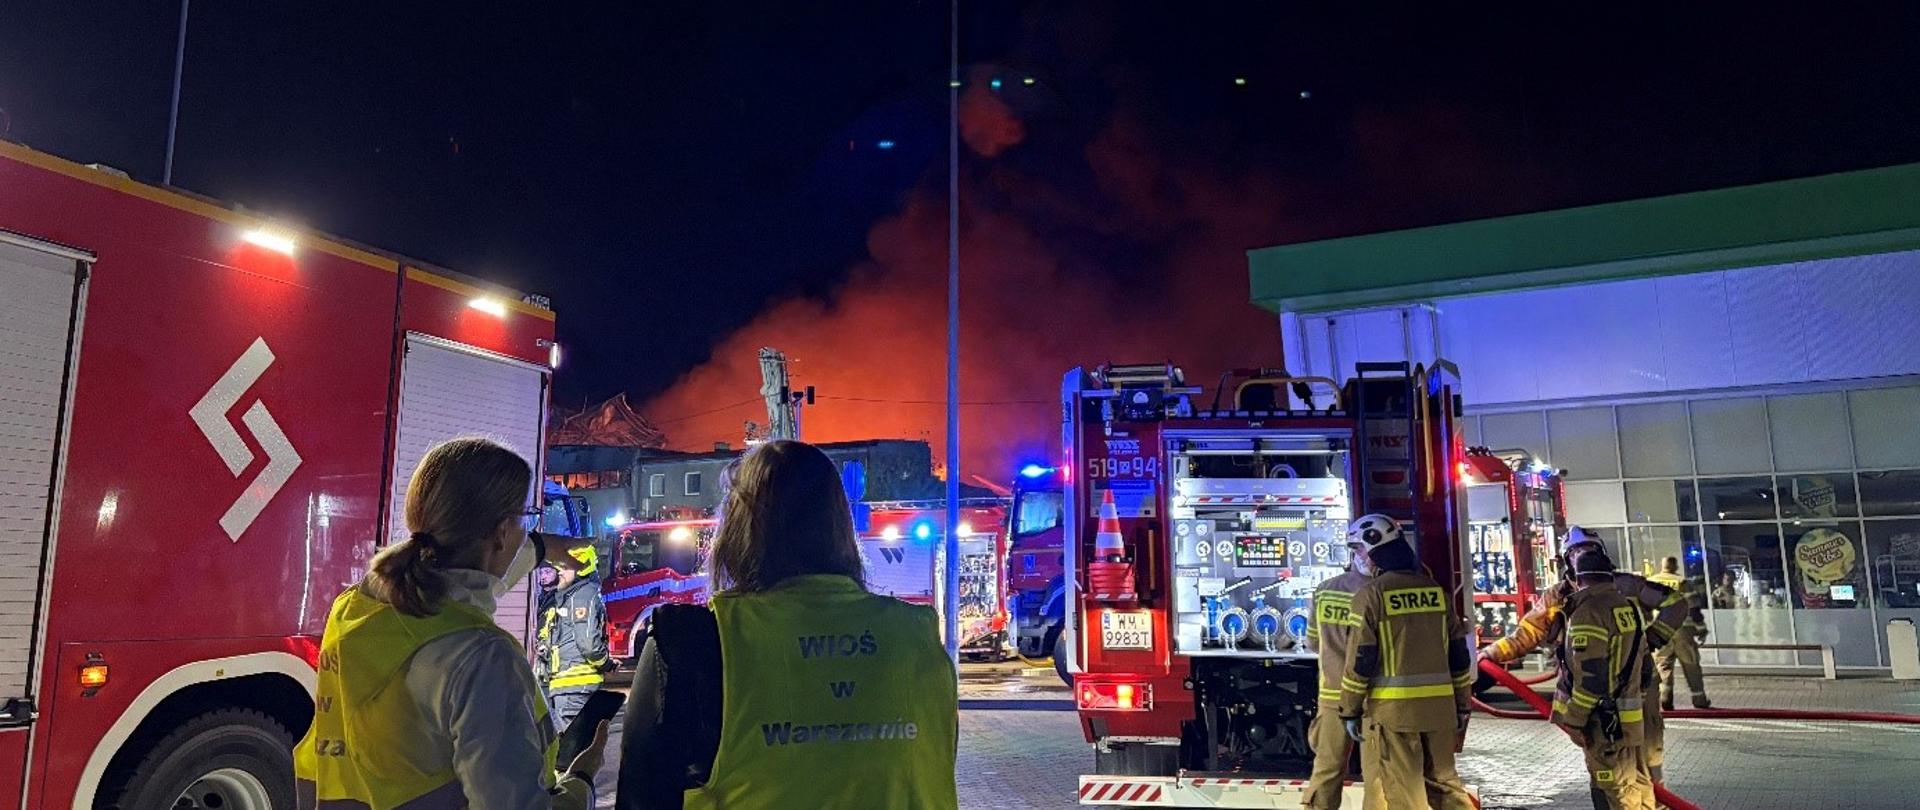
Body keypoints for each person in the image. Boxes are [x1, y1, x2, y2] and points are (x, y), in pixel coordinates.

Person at [616, 440, 959, 810]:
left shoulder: (694, 644)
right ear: (839, 526)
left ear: (739, 531)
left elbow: (641, 796)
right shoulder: (918, 638)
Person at [295, 437, 609, 808]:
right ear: (501, 532)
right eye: (527, 518)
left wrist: (541, 548)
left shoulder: (356, 609)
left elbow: (463, 583)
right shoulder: (481, 657)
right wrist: (582, 783)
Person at [1480, 526, 1686, 788]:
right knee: (1606, 770)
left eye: (1588, 551)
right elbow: (1526, 635)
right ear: (1567, 558)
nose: (1581, 556)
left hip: (1639, 688)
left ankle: (1655, 799)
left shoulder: (1627, 585)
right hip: (1593, 696)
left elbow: (1676, 604)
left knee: (1648, 762)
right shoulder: (1557, 597)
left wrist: (1652, 639)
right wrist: (1489, 653)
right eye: (1576, 552)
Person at [1336, 514, 1476, 810]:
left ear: (1373, 548)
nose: (1357, 557)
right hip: (1440, 712)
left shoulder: (1370, 596)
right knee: (1447, 788)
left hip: (1394, 714)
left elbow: (1361, 661)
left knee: (1405, 794)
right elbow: (1459, 657)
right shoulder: (1435, 591)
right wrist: (1463, 704)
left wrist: (1349, 709)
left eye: (1357, 549)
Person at [1552, 545, 1656, 810]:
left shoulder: (1588, 612)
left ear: (1578, 579)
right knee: (1639, 786)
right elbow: (1645, 667)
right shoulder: (1627, 607)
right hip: (1630, 723)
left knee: (1615, 792)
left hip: (1604, 726)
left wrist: (1574, 720)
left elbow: (1592, 678)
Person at [1301, 531, 1382, 810]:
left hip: (1333, 697)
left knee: (1326, 771)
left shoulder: (1324, 590)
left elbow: (1312, 641)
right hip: (1375, 699)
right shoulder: (1381, 592)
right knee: (1377, 778)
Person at [540, 545, 611, 728]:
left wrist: (605, 662)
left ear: (582, 569)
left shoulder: (581, 596)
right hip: (572, 689)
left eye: (565, 568)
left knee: (576, 751)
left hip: (573, 689)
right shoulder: (577, 596)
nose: (560, 572)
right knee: (581, 751)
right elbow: (586, 644)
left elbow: (587, 643)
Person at [1648, 557, 1712, 710]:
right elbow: (1694, 609)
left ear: (1662, 566)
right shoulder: (1683, 582)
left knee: (1663, 665)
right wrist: (1701, 629)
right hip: (1682, 630)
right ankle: (1699, 699)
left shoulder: (1651, 582)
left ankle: (1665, 697)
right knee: (1691, 665)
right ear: (1675, 566)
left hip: (1660, 631)